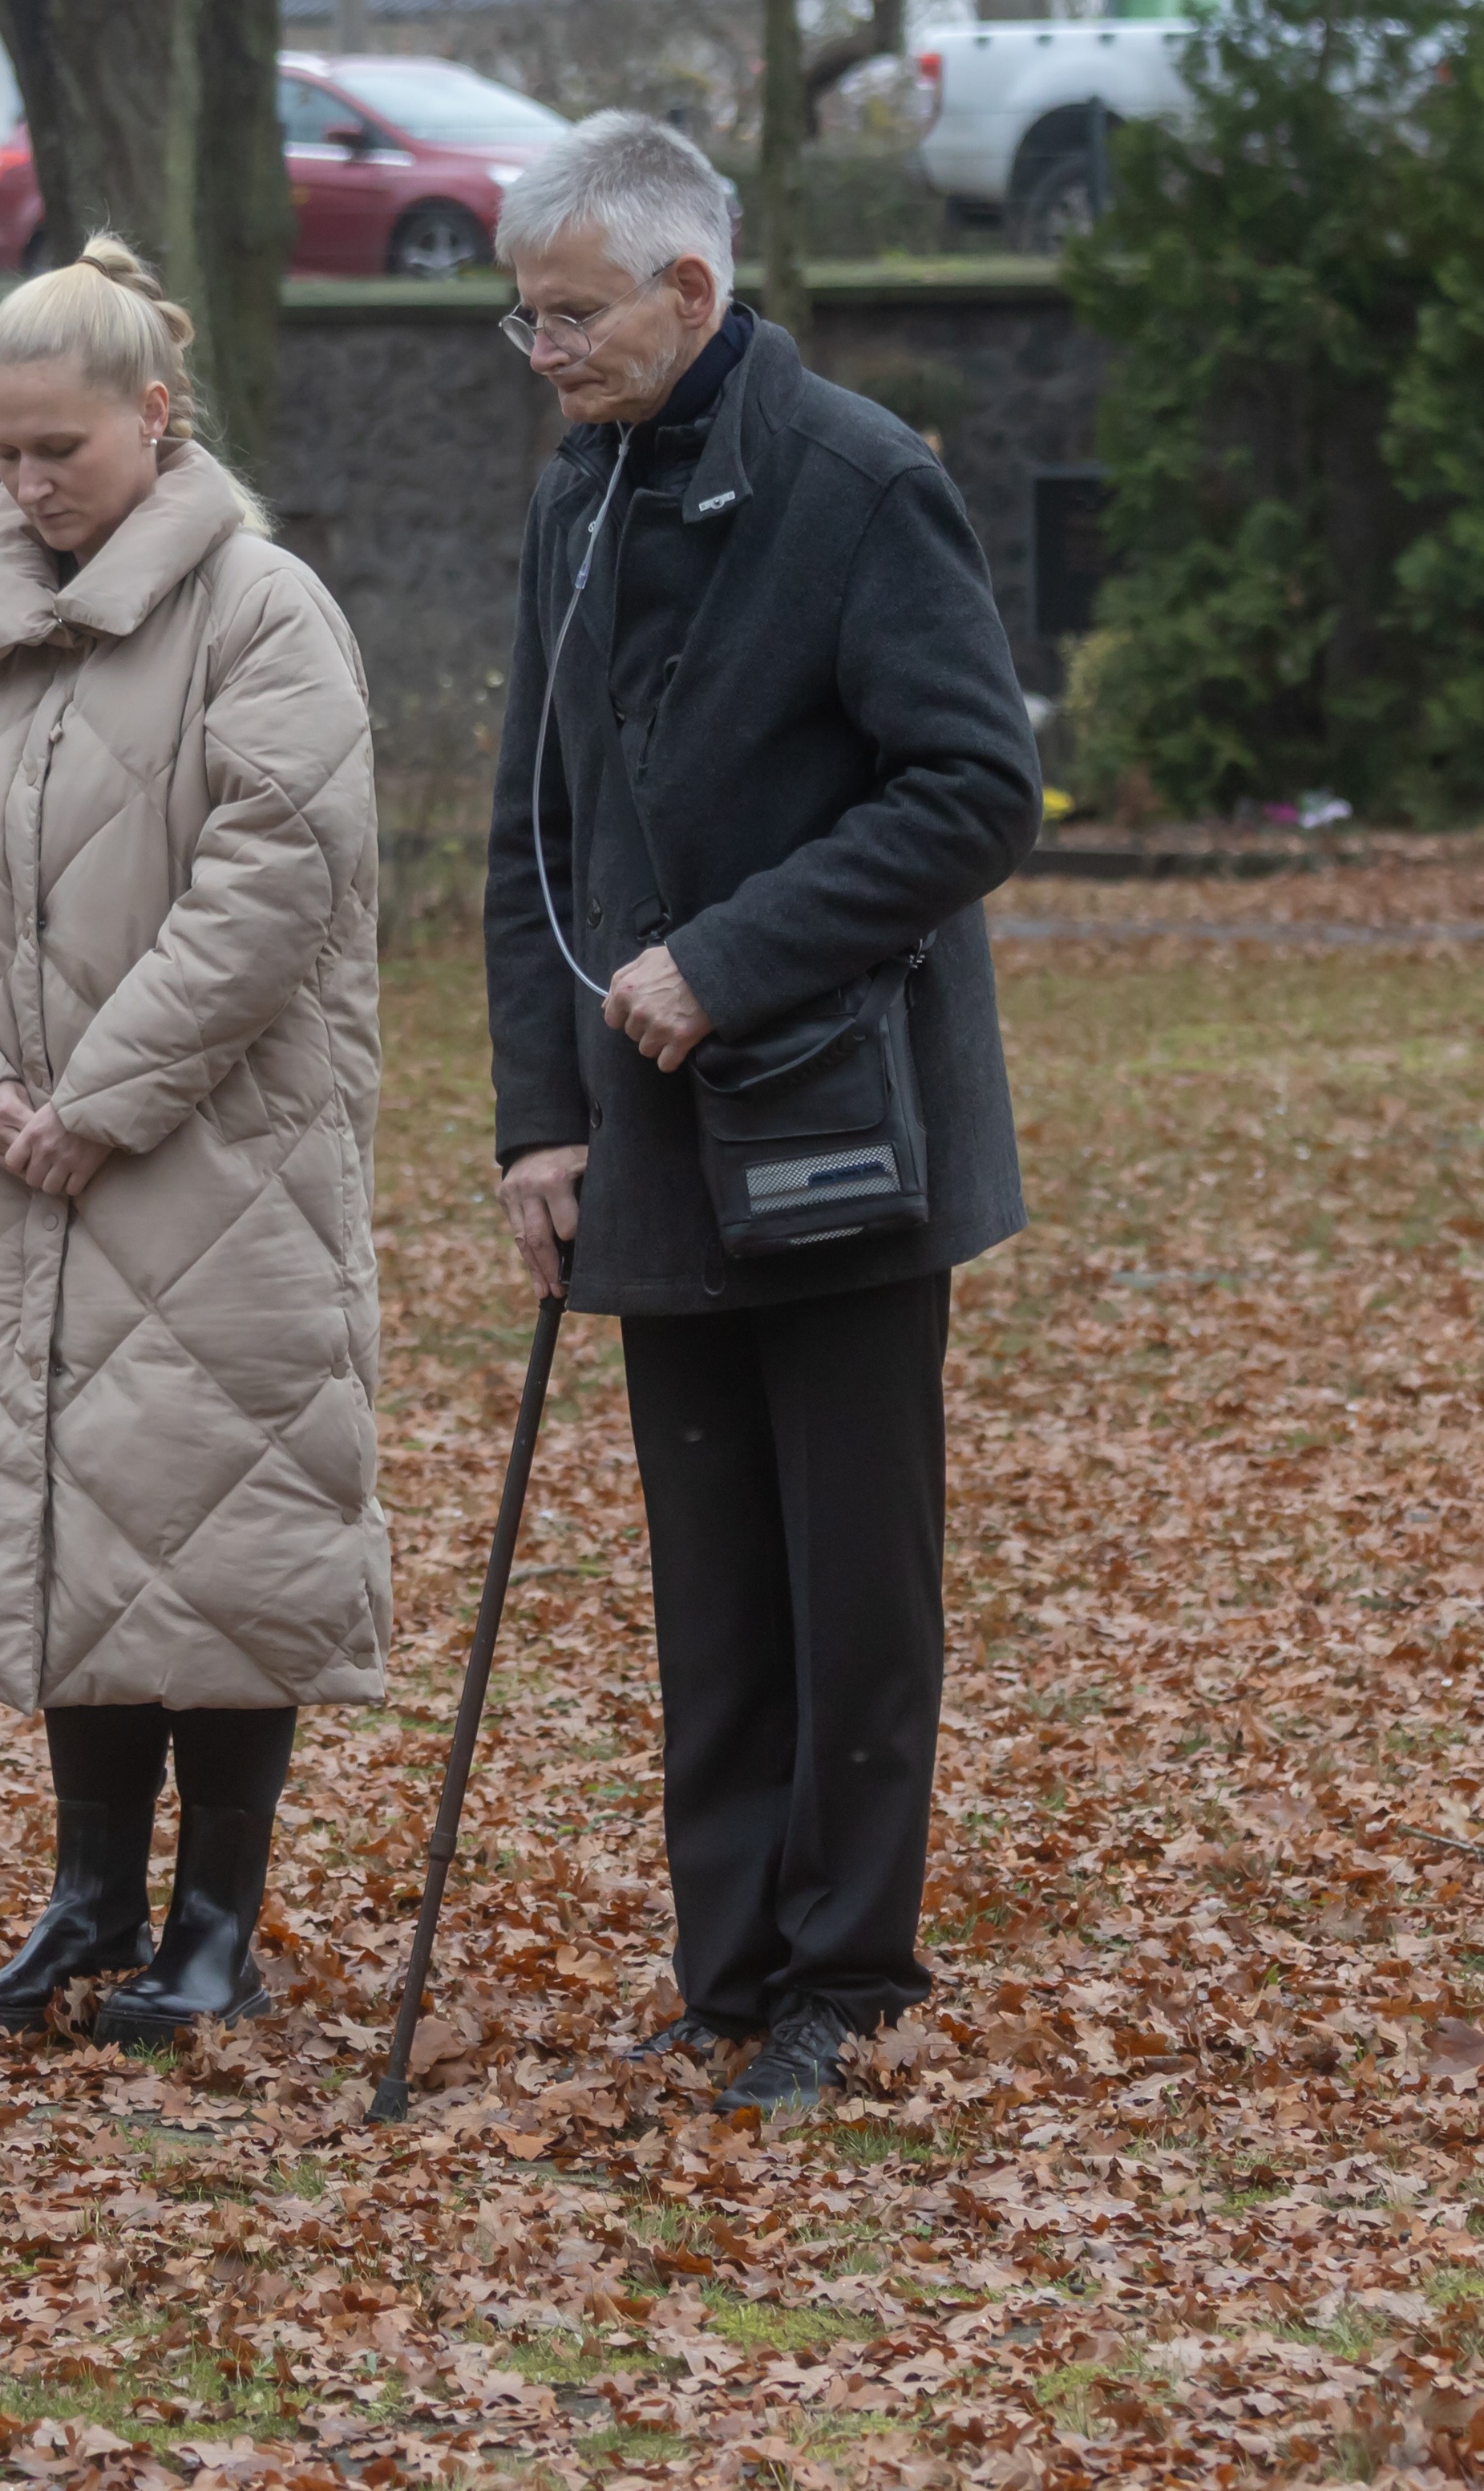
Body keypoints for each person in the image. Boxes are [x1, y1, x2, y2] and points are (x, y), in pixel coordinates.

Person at [479, 115, 1041, 2113]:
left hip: (844, 1124)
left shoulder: (861, 484)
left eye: (567, 314)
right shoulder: (574, 497)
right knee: (711, 1574)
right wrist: (533, 1122)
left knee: (850, 1572)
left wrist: (729, 956)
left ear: (688, 293)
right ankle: (726, 1978)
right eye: (520, 315)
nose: (538, 350)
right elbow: (531, 833)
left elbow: (974, 791)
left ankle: (847, 1975)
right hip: (641, 1137)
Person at [0, 233, 386, 2049]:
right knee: (64, 1521)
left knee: (216, 1526)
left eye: (54, 449)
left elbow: (279, 872)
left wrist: (103, 1096)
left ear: (153, 418)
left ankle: (215, 1918)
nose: (23, 483)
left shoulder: (263, 608)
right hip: (8, 1164)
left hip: (217, 1160)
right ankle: (87, 1900)